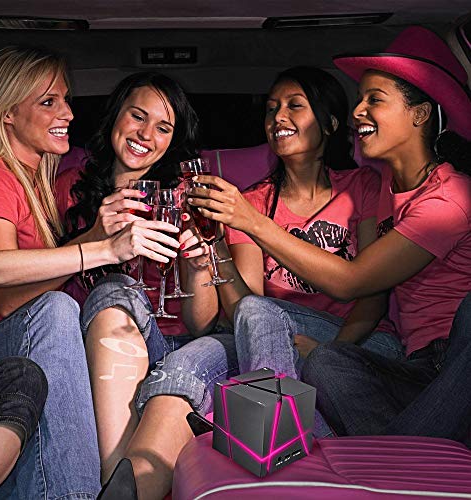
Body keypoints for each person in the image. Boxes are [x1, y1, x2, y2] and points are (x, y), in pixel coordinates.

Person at [188, 26, 471, 442]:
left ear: (420, 114)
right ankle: (372, 451)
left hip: (455, 361)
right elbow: (246, 306)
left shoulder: (449, 197)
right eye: (360, 99)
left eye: (375, 100)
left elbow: (354, 282)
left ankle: (276, 439)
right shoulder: (388, 185)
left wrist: (251, 221)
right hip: (416, 369)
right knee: (327, 364)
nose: (359, 111)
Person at [0, 46, 178, 499]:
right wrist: (100, 247)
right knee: (57, 309)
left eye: (65, 100)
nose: (67, 112)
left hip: (21, 342)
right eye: (49, 102)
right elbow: (5, 298)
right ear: (7, 115)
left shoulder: (36, 181)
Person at [57, 72, 237, 500]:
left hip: (183, 343)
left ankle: (115, 486)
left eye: (163, 127)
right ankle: (115, 479)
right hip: (107, 347)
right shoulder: (69, 189)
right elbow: (46, 283)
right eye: (138, 117)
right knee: (114, 289)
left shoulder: (188, 197)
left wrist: (197, 266)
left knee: (180, 372)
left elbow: (200, 324)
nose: (146, 135)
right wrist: (98, 238)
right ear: (115, 115)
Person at [185, 66, 403, 382]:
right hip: (280, 337)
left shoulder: (362, 187)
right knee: (252, 315)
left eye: (295, 105)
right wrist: (216, 244)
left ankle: (275, 408)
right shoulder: (249, 204)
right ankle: (279, 411)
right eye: (271, 108)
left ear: (329, 124)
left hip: (363, 340)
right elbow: (245, 311)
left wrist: (328, 352)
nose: (278, 117)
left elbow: (373, 295)